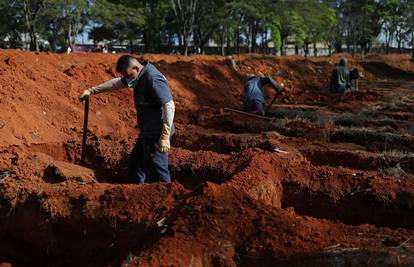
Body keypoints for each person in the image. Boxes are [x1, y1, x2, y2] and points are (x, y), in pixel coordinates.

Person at [79, 55, 175, 184]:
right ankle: (132, 194)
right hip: (147, 130)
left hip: (157, 132)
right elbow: (116, 83)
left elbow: (169, 105)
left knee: (156, 169)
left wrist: (165, 136)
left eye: (127, 75)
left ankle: (166, 196)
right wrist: (92, 90)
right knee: (135, 164)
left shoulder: (152, 79)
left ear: (135, 68)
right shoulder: (137, 75)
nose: (127, 80)